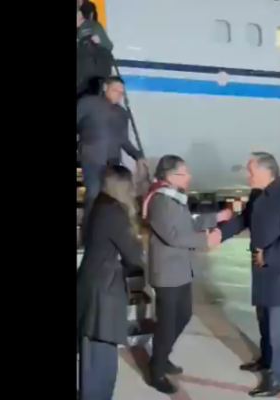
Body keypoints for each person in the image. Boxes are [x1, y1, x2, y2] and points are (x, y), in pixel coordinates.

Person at [219, 152, 280, 397]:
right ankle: (266, 360)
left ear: (266, 171)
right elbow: (243, 220)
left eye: (250, 171)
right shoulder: (258, 195)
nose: (247, 175)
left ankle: (278, 378)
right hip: (261, 273)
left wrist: (268, 256)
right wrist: (219, 235)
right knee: (264, 321)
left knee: (279, 330)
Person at [143, 155, 229, 394]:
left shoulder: (174, 197)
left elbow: (189, 222)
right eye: (185, 172)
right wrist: (205, 241)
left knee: (183, 315)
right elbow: (173, 236)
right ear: (171, 175)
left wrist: (216, 218)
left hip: (180, 270)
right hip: (167, 273)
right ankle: (156, 370)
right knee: (167, 322)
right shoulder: (160, 200)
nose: (189, 176)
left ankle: (162, 356)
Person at [76, 165, 145, 400]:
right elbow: (134, 256)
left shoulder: (98, 206)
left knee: (92, 357)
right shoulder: (114, 213)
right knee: (101, 362)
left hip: (91, 285)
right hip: (102, 294)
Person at [77, 76, 145, 243]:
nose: (118, 95)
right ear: (105, 88)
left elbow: (124, 140)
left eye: (121, 93)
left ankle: (110, 235)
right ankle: (88, 237)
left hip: (113, 162)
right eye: (116, 91)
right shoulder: (87, 104)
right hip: (92, 159)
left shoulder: (121, 113)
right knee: (93, 194)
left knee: (114, 198)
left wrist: (137, 156)